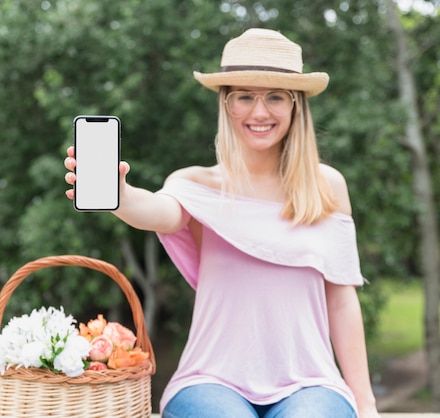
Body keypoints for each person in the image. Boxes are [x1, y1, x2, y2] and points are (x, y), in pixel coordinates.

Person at [64, 28, 380, 418]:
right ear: (226, 105)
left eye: (275, 97)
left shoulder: (326, 187)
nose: (259, 112)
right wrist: (120, 195)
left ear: (296, 105)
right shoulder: (198, 185)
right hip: (209, 382)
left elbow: (342, 301)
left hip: (312, 384)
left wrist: (365, 403)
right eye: (244, 97)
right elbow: (158, 213)